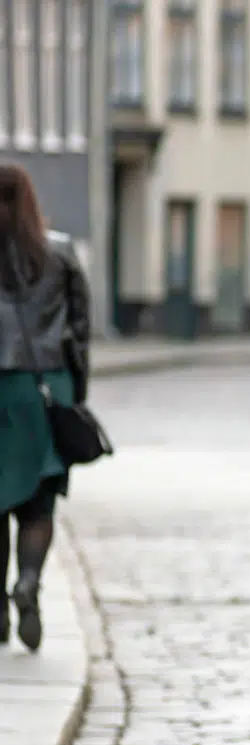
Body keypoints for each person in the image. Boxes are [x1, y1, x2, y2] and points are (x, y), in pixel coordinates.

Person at [0, 165, 93, 652]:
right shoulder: (58, 253)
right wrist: (76, 394)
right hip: (44, 388)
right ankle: (29, 582)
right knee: (38, 504)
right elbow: (79, 331)